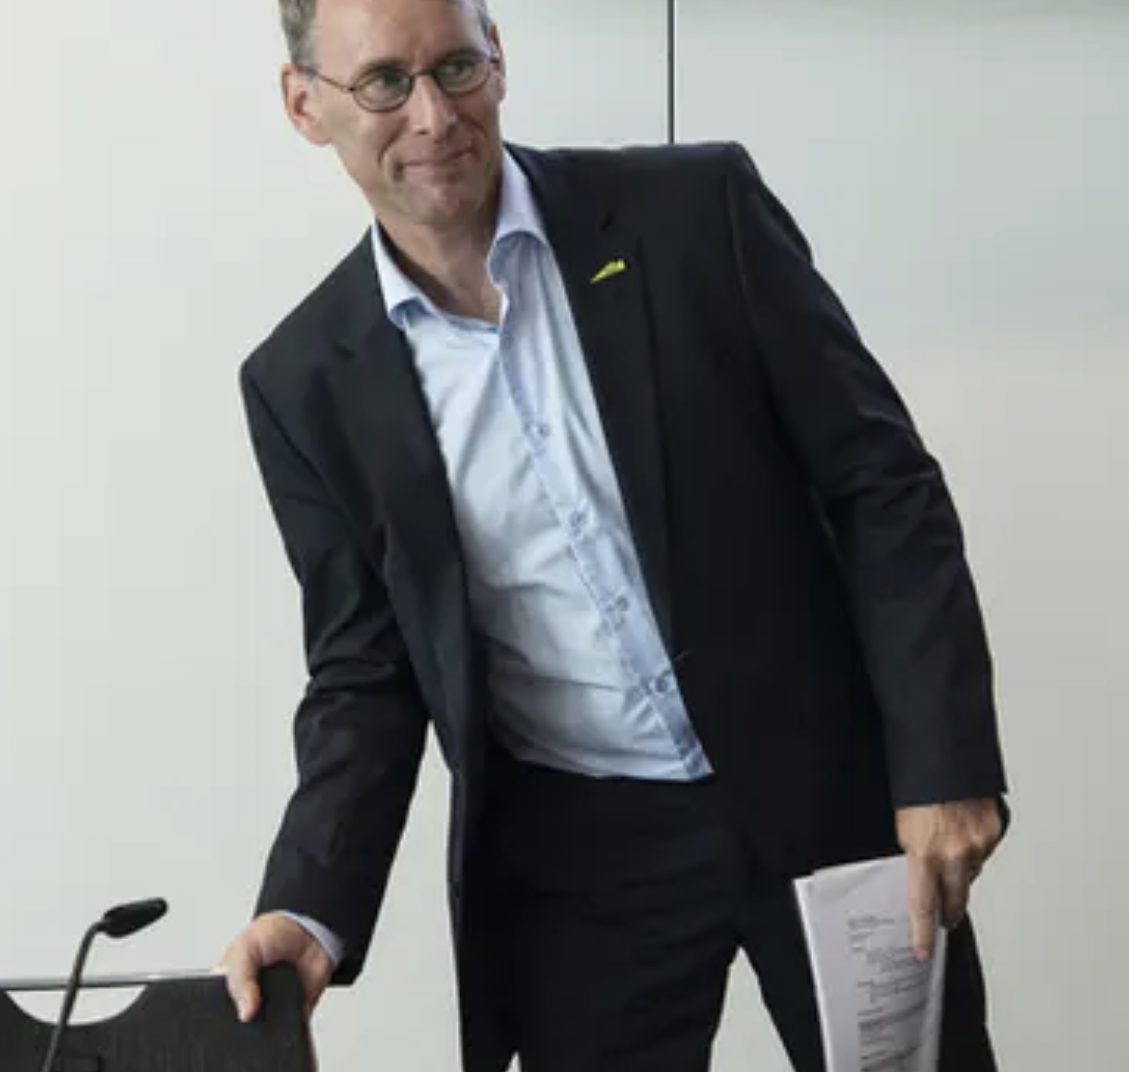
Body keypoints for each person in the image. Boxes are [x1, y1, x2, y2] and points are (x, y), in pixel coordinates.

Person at [217, 0, 1011, 1069]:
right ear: (303, 104)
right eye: (384, 83)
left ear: (498, 58)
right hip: (584, 860)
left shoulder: (694, 213)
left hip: (824, 787)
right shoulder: (304, 384)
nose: (434, 116)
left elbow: (882, 485)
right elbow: (364, 672)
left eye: (456, 67)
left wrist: (943, 762)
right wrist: (306, 904)